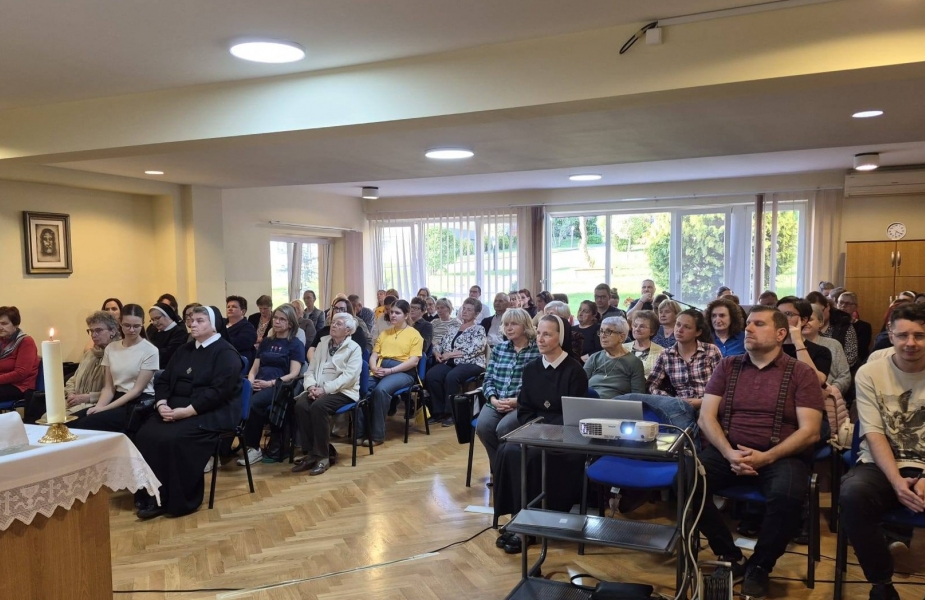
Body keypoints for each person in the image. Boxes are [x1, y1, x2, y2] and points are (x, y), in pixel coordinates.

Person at [695, 305, 824, 598]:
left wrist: (767, 457)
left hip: (781, 455)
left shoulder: (801, 373)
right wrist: (728, 452)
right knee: (687, 481)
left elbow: (811, 431)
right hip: (730, 451)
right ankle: (731, 556)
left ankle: (761, 565)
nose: (748, 329)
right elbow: (706, 417)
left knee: (787, 495)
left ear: (781, 334)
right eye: (748, 324)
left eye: (758, 324)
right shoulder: (727, 366)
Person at [839, 303, 925, 600]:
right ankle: (881, 583)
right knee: (852, 494)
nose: (910, 343)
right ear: (890, 334)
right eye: (902, 335)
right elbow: (873, 432)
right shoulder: (870, 372)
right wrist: (896, 480)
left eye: (919, 335)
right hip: (882, 461)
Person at [132, 306, 243, 519]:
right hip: (175, 408)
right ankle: (151, 496)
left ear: (214, 324)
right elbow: (163, 379)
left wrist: (188, 412)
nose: (193, 324)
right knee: (145, 435)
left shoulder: (226, 353)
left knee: (173, 439)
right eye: (191, 320)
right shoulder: (185, 350)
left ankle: (177, 501)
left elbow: (219, 392)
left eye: (200, 320)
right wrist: (161, 403)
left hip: (210, 412)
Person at [493, 315, 589, 553]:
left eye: (548, 334)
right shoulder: (532, 368)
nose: (541, 338)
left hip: (565, 436)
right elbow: (525, 408)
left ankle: (534, 523)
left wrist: (547, 430)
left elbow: (574, 415)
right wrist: (534, 428)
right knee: (507, 451)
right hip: (535, 429)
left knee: (534, 456)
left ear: (561, 337)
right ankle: (517, 515)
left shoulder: (574, 371)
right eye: (539, 333)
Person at [291, 312, 363, 476]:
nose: (334, 325)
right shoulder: (323, 344)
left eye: (339, 324)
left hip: (343, 391)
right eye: (333, 322)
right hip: (318, 388)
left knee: (318, 407)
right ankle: (311, 453)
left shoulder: (354, 348)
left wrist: (325, 389)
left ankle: (323, 456)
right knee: (301, 405)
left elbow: (349, 377)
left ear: (348, 330)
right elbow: (310, 370)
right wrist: (310, 388)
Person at [70, 304, 158, 432]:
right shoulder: (112, 348)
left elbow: (136, 391)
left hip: (137, 404)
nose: (132, 330)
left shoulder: (150, 350)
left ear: (142, 324)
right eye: (127, 325)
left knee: (86, 424)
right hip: (116, 397)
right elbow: (108, 387)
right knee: (70, 422)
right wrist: (98, 407)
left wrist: (103, 409)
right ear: (120, 324)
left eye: (136, 326)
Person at [475, 308, 540, 477]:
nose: (508, 328)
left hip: (521, 404)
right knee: (483, 427)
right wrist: (493, 399)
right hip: (497, 401)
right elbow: (488, 379)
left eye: (514, 324)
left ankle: (508, 473)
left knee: (503, 429)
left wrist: (517, 401)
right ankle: (502, 472)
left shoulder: (538, 351)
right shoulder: (499, 349)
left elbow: (540, 386)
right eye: (506, 324)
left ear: (525, 326)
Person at [238, 304, 306, 465]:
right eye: (275, 318)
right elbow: (254, 368)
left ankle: (253, 448)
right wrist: (251, 381)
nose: (277, 322)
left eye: (282, 319)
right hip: (258, 383)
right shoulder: (267, 342)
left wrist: (269, 384)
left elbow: (294, 373)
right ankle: (223, 449)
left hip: (279, 387)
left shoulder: (295, 344)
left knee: (253, 404)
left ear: (290, 323)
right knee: (235, 400)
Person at [632, 309, 721, 431]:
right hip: (679, 406)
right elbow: (651, 386)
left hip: (708, 403)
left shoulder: (711, 351)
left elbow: (723, 385)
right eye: (678, 324)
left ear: (698, 332)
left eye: (687, 327)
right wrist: (671, 400)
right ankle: (686, 447)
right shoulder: (666, 354)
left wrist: (702, 401)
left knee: (703, 419)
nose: (679, 330)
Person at [26, 310, 121, 423]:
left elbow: (116, 390)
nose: (93, 335)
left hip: (96, 404)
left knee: (56, 422)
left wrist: (86, 397)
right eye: (91, 331)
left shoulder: (118, 355)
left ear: (113, 331)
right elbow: (73, 380)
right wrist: (71, 394)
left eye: (98, 330)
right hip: (75, 400)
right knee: (45, 417)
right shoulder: (90, 354)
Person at [356, 299, 423, 446]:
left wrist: (390, 371)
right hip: (381, 369)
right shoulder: (385, 333)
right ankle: (360, 433)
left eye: (397, 313)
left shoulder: (414, 334)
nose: (393, 315)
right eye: (391, 312)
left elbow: (413, 361)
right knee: (361, 388)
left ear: (406, 315)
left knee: (381, 391)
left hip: (404, 372)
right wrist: (373, 368)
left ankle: (377, 435)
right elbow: (373, 355)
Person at [425, 297, 487, 427]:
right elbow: (440, 343)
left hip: (472, 362)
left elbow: (475, 349)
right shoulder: (453, 328)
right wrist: (437, 352)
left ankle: (451, 413)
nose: (464, 311)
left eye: (469, 310)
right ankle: (438, 412)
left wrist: (449, 354)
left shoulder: (478, 329)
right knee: (432, 375)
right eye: (463, 308)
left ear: (476, 313)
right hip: (450, 362)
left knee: (452, 377)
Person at [584, 316, 645, 398]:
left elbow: (638, 396)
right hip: (589, 402)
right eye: (601, 331)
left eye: (608, 332)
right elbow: (579, 384)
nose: (603, 335)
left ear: (621, 337)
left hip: (617, 406)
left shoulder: (634, 362)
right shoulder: (594, 358)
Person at [776, 296, 831, 385]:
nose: (781, 319)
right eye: (778, 314)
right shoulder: (767, 347)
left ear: (803, 320)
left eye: (788, 314)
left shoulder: (821, 352)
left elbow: (817, 381)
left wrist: (798, 342)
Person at [807, 291, 859, 368]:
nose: (818, 316)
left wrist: (828, 368)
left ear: (827, 307)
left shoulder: (843, 325)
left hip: (837, 372)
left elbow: (851, 356)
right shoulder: (805, 326)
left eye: (820, 311)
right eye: (812, 313)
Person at [0, 306, 39, 405]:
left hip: (20, 386)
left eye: (4, 323)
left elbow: (20, 373)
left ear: (16, 324)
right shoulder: (1, 341)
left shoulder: (26, 341)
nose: (0, 327)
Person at [835, 291, 872, 366]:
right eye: (841, 302)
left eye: (848, 303)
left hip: (854, 363)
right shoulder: (831, 324)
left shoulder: (864, 327)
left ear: (856, 307)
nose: (843, 306)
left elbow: (860, 350)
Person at [624, 310, 665, 377]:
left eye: (642, 326)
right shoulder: (622, 348)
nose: (637, 329)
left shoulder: (661, 352)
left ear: (652, 331)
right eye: (635, 325)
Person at [224, 295, 257, 368]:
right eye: (228, 307)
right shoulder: (221, 324)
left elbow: (241, 343)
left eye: (234, 307)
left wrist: (221, 340)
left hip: (236, 360)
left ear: (243, 311)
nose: (230, 309)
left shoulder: (248, 327)